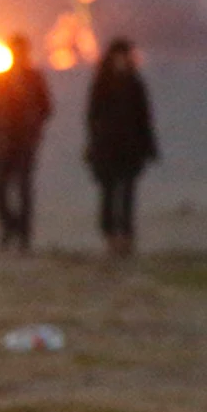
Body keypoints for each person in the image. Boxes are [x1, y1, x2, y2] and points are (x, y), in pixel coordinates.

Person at [83, 38, 159, 258]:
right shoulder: (101, 84)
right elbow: (92, 117)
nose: (122, 60)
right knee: (108, 195)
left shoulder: (136, 84)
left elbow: (144, 118)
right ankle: (110, 237)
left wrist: (148, 146)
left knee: (127, 194)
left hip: (130, 149)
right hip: (106, 149)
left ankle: (125, 237)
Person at [0, 34, 52, 253]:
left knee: (23, 189)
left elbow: (46, 107)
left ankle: (23, 235)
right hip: (4, 141)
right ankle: (10, 228)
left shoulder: (35, 79)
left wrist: (35, 129)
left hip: (25, 142)